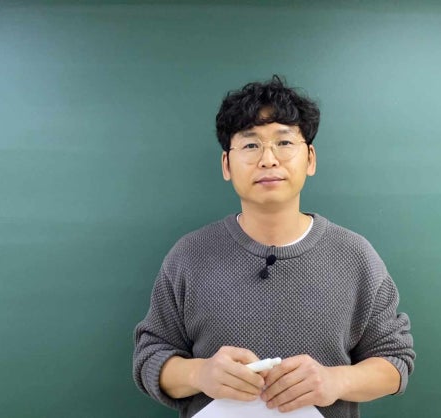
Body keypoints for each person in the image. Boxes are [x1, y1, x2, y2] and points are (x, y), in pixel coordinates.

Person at [133, 75, 414, 418]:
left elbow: (395, 359)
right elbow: (150, 357)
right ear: (226, 165)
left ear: (310, 159)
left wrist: (335, 381)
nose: (268, 159)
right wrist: (199, 373)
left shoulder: (356, 256)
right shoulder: (189, 255)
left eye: (284, 142)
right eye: (251, 145)